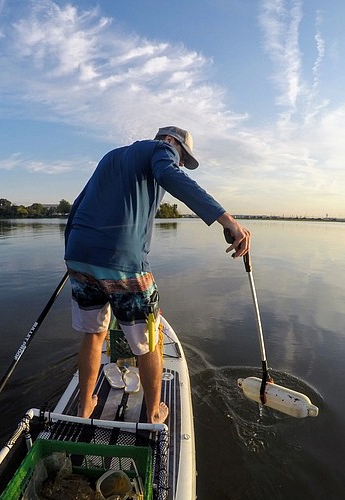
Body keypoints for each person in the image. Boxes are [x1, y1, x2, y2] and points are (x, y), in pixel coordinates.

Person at [64, 126, 250, 423]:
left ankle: (85, 405)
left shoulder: (111, 156)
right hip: (123, 260)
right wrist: (226, 220)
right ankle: (153, 413)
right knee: (150, 341)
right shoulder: (161, 150)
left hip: (79, 255)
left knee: (94, 333)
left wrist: (75, 255)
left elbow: (78, 206)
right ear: (171, 141)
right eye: (181, 157)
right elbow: (169, 175)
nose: (178, 163)